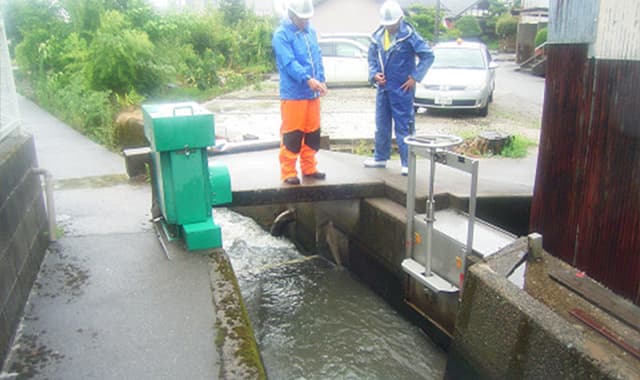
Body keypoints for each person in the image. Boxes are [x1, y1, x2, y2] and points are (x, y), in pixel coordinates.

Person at [365, 0, 434, 175]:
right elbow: (372, 58)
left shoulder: (410, 35)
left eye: (393, 24)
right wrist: (374, 74)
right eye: (387, 24)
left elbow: (428, 56)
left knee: (404, 126)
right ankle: (380, 158)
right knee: (381, 124)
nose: (390, 27)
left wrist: (415, 77)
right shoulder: (378, 36)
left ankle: (407, 162)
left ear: (400, 19)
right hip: (383, 88)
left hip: (402, 89)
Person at [272, 0, 328, 185]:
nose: (305, 22)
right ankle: (288, 171)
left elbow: (317, 57)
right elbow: (289, 63)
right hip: (294, 93)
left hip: (312, 92)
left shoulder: (310, 32)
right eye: (302, 19)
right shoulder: (281, 35)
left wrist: (321, 79)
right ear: (292, 15)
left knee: (312, 131)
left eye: (307, 18)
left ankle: (309, 167)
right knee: (292, 133)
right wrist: (306, 79)